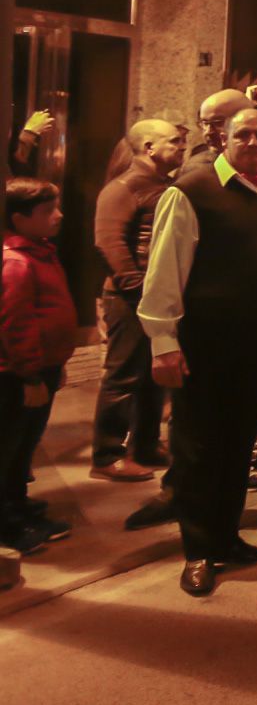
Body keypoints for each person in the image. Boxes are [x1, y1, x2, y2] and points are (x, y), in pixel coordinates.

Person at [138, 109, 257, 596]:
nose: (252, 142)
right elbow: (164, 272)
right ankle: (198, 550)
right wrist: (163, 342)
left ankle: (227, 538)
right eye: (242, 134)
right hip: (203, 342)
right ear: (223, 138)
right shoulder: (191, 191)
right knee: (198, 446)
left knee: (239, 444)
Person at [91, 119, 185, 481]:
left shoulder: (163, 184)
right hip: (131, 297)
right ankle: (106, 454)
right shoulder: (124, 187)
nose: (180, 147)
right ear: (149, 147)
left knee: (152, 376)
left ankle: (145, 444)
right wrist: (137, 291)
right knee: (123, 375)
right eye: (174, 141)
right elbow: (110, 244)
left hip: (154, 295)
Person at [1, 179, 79, 555]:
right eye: (48, 211)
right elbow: (16, 324)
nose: (58, 216)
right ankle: (7, 524)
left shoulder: (41, 251)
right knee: (9, 446)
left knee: (25, 444)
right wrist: (30, 375)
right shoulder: (15, 262)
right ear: (19, 218)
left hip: (42, 368)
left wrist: (55, 365)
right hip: (17, 375)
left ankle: (17, 504)